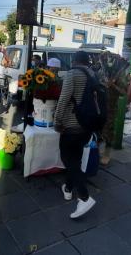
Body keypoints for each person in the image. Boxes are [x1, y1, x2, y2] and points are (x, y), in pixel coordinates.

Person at [54, 51, 96, 219]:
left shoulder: (72, 74)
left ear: (74, 61)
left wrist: (57, 121)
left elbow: (64, 99)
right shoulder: (93, 75)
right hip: (87, 126)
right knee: (75, 160)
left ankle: (85, 197)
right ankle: (68, 188)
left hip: (71, 126)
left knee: (67, 159)